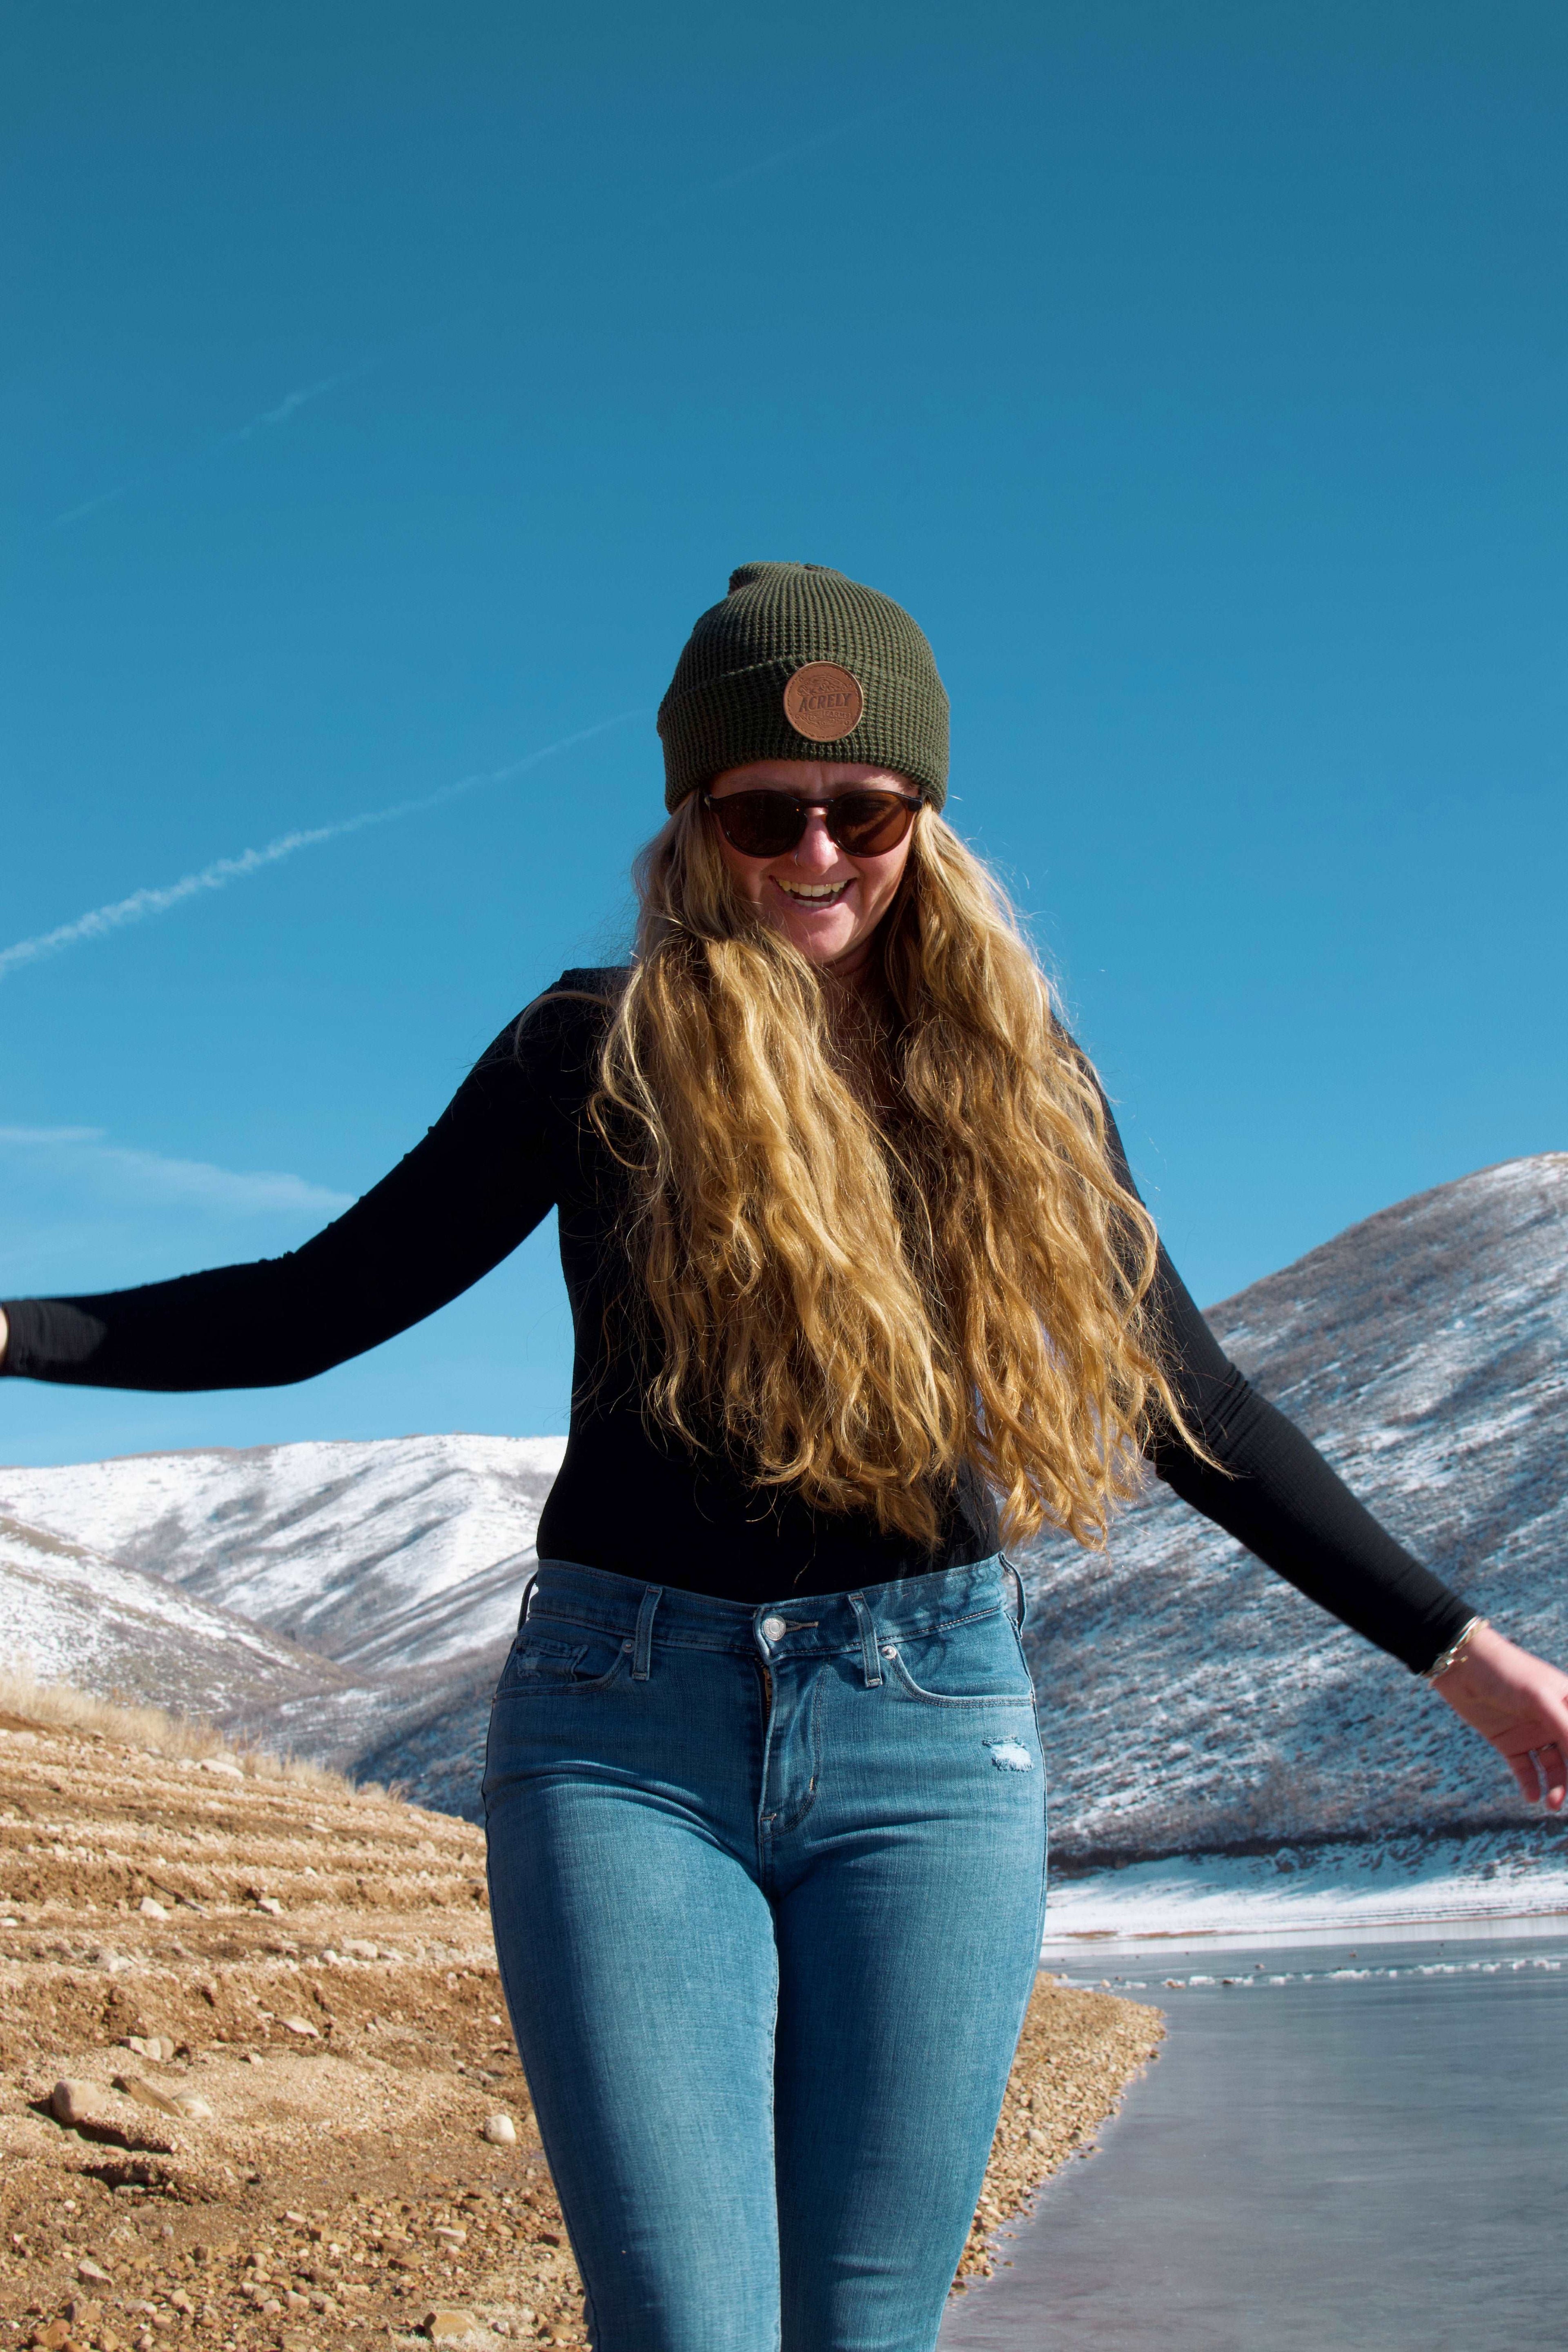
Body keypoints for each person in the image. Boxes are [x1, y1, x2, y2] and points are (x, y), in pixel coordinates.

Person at [4, 560, 1566, 2352]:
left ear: (924, 817)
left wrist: (1471, 1659)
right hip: (621, 1733)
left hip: (932, 1734)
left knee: (865, 2322)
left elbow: (1184, 1405)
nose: (815, 852)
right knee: (684, 2327)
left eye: (863, 809)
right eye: (766, 812)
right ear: (693, 822)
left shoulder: (1014, 1074)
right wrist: (10, 1332)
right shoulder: (592, 1049)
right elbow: (308, 1309)